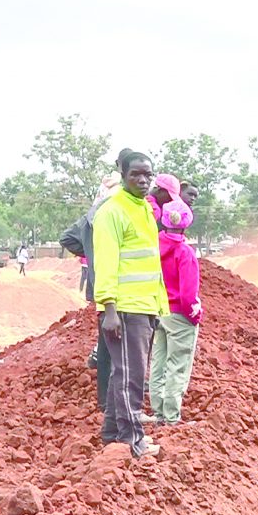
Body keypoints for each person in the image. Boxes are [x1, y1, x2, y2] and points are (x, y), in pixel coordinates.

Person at [92, 151, 169, 457]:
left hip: (144, 306)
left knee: (122, 375)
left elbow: (150, 264)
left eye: (147, 175)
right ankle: (131, 440)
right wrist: (109, 308)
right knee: (131, 376)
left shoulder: (144, 210)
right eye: (135, 174)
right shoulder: (113, 212)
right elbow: (106, 263)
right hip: (124, 309)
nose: (142, 180)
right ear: (122, 175)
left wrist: (158, 307)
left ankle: (113, 434)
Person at [60, 148, 134, 408]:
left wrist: (91, 256)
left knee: (106, 345)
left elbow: (67, 238)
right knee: (118, 348)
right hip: (120, 287)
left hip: (100, 285)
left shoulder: (94, 211)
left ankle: (107, 401)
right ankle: (115, 403)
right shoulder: (122, 207)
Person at [147, 186, 202, 425]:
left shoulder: (153, 248)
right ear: (186, 223)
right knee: (178, 365)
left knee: (158, 362)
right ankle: (171, 417)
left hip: (159, 311)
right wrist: (194, 316)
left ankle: (158, 411)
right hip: (179, 314)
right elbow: (189, 294)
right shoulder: (185, 253)